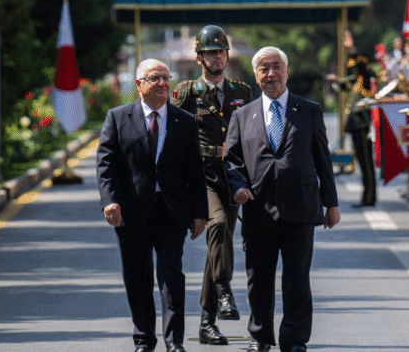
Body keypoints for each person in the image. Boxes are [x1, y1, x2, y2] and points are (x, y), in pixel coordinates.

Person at [225, 46, 340, 352]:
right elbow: (230, 161)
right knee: (258, 279)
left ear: (286, 71)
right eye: (264, 68)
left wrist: (332, 203)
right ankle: (261, 337)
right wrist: (237, 187)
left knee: (297, 279)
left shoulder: (309, 110)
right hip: (257, 208)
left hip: (300, 207)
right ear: (256, 74)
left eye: (277, 67)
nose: (271, 73)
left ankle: (294, 338)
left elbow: (322, 158)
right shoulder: (241, 115)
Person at [96, 59, 207, 352]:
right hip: (131, 212)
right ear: (139, 85)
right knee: (137, 277)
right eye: (155, 78)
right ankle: (144, 339)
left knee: (171, 276)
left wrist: (199, 214)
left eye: (165, 78)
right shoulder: (118, 118)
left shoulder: (185, 121)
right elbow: (106, 165)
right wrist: (110, 201)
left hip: (171, 212)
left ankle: (174, 342)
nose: (162, 84)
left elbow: (196, 172)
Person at [171, 25, 253, 345]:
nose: (216, 57)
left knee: (216, 248)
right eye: (209, 52)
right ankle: (224, 289)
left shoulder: (241, 93)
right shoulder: (187, 93)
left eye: (220, 52)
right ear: (199, 57)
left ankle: (207, 324)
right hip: (202, 177)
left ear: (227, 55)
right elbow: (173, 133)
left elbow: (249, 136)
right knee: (216, 226)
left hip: (231, 178)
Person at [327, 30, 378, 207]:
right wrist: (335, 80)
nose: (354, 68)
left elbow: (360, 70)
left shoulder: (366, 76)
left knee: (366, 162)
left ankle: (370, 197)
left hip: (363, 124)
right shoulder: (357, 81)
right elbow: (344, 84)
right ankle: (366, 196)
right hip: (357, 125)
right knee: (362, 162)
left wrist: (352, 49)